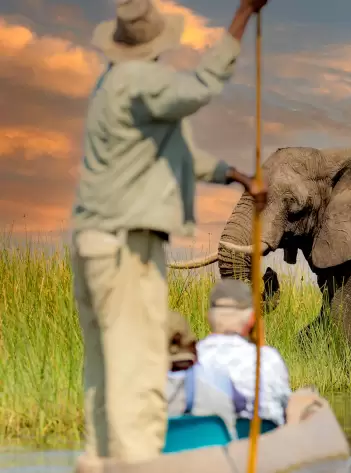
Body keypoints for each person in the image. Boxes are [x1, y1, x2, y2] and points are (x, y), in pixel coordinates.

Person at [70, 0, 270, 467]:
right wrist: (242, 15)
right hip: (127, 246)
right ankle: (138, 464)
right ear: (155, 45)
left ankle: (98, 461)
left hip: (95, 240)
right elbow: (203, 86)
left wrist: (237, 177)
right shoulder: (141, 79)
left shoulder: (113, 86)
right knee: (139, 366)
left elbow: (181, 154)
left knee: (103, 367)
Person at [197, 279, 292, 427]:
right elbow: (284, 410)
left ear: (208, 317)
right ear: (251, 319)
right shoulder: (269, 359)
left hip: (208, 445)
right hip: (263, 445)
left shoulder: (192, 360)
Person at [165, 310, 246, 439]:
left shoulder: (140, 394)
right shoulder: (220, 380)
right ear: (192, 346)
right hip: (218, 455)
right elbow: (243, 407)